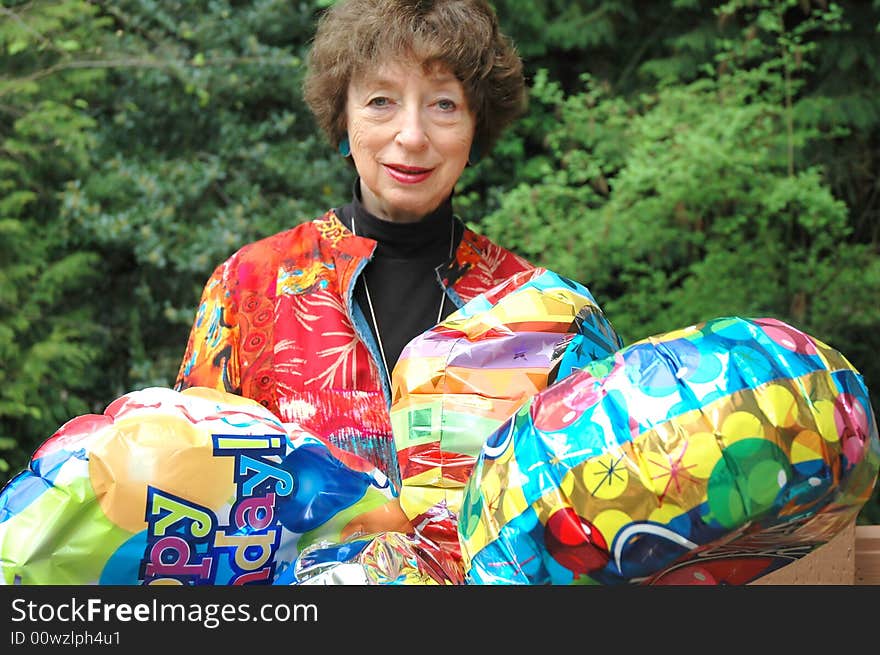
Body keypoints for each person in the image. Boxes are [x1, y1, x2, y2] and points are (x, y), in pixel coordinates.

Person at [174, 0, 535, 491]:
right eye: (381, 101)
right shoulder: (249, 285)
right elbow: (191, 488)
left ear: (477, 128)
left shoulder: (529, 307)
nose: (411, 136)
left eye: (444, 104)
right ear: (344, 120)